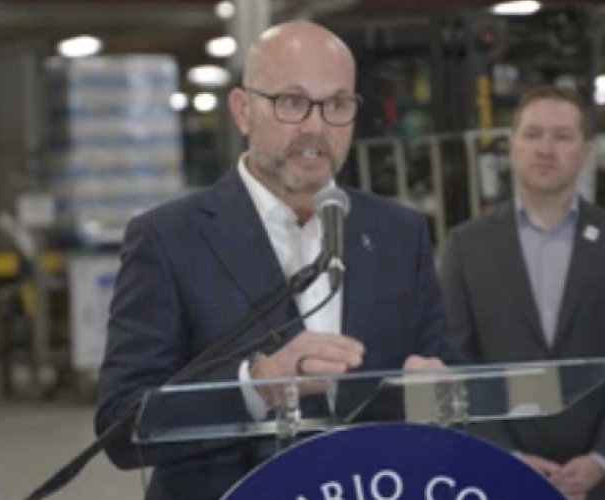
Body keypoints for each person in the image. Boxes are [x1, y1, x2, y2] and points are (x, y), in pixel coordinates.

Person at [95, 20, 456, 500]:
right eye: (291, 102)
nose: (315, 127)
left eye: (337, 105)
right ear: (243, 111)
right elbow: (121, 428)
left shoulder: (398, 234)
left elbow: (445, 377)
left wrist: (438, 394)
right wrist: (256, 386)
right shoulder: (167, 238)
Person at [440, 85, 605, 500]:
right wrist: (504, 455)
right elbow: (455, 365)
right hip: (497, 477)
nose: (545, 149)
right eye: (532, 135)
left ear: (587, 152)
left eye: (562, 136)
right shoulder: (466, 246)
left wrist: (600, 460)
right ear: (511, 147)